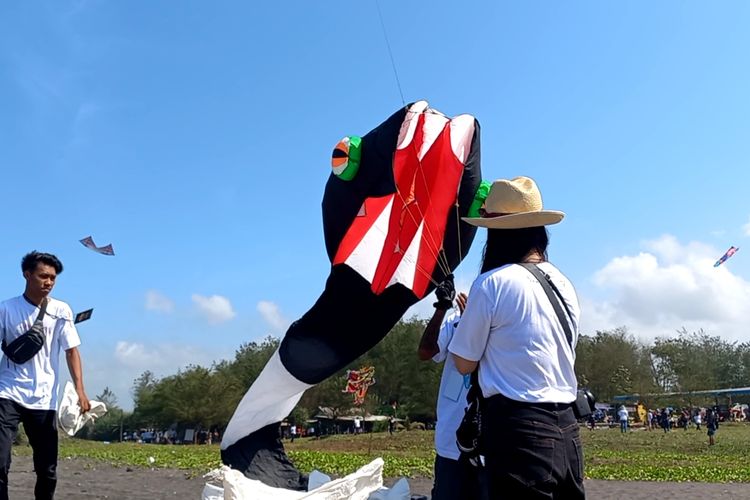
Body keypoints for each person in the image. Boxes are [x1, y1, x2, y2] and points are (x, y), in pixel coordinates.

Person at [448, 177, 584, 499]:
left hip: (519, 428)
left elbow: (464, 363)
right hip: (568, 429)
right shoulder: (563, 283)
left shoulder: (492, 282)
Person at [0, 251, 90, 500]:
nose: (48, 282)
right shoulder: (6, 309)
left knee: (47, 469)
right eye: (43, 276)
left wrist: (80, 391)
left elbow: (72, 351)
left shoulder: (61, 310)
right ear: (27, 275)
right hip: (7, 392)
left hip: (44, 398)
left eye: (53, 277)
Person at [418, 288, 487, 500]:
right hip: (450, 443)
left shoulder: (503, 320)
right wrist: (441, 308)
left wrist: (474, 326)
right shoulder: (456, 319)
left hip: (489, 446)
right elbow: (426, 352)